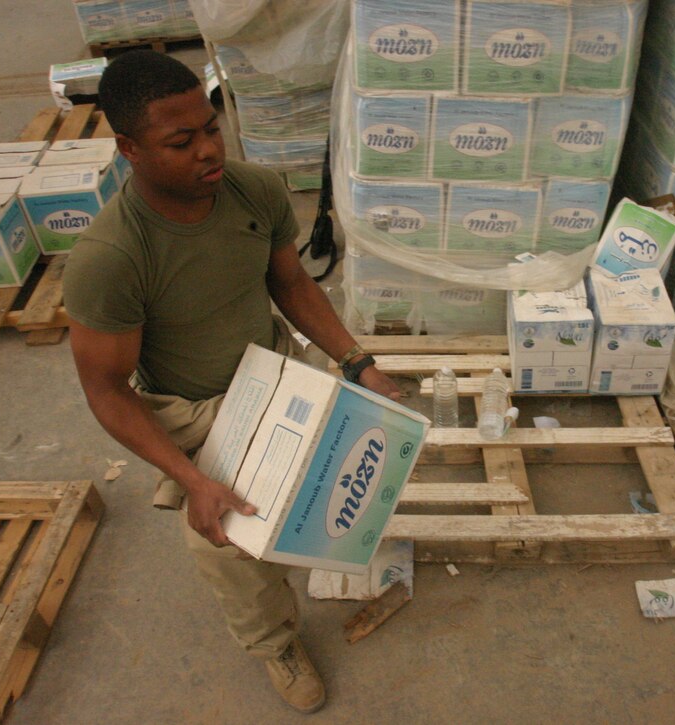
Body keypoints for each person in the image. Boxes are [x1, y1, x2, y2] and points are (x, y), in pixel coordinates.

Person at [63, 49, 400, 714]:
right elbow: (106, 390)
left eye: (212, 128)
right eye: (180, 141)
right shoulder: (112, 258)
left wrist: (355, 361)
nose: (208, 151)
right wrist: (193, 477)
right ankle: (275, 640)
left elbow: (291, 281)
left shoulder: (255, 191)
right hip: (193, 407)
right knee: (227, 537)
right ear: (129, 148)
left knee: (337, 470)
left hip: (275, 370)